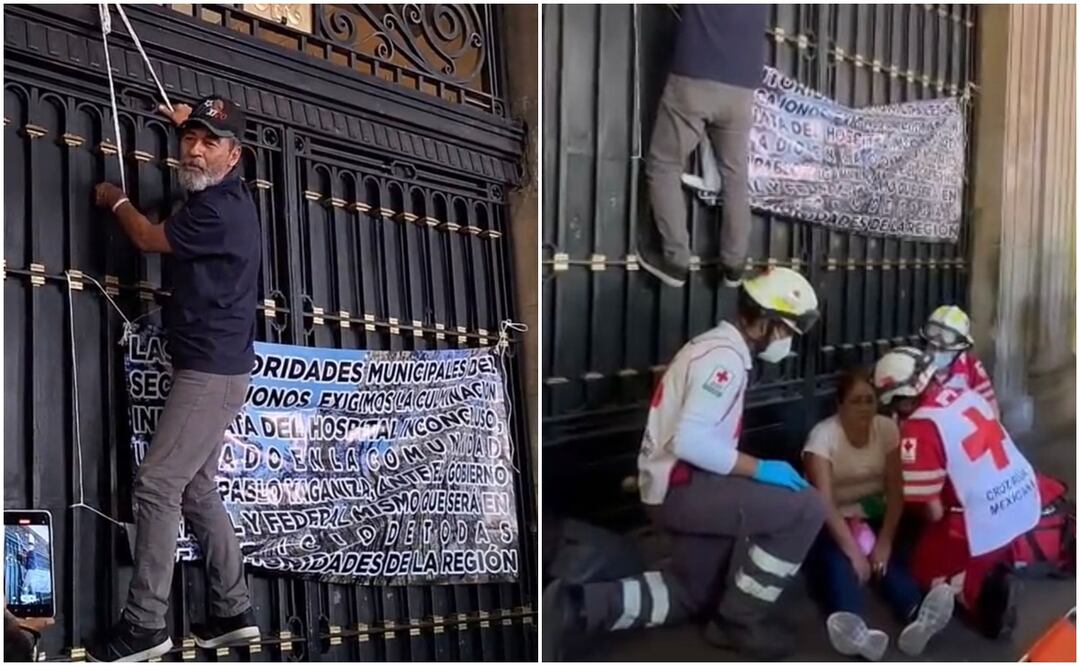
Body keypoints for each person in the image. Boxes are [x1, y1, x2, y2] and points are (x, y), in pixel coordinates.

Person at [544, 267, 825, 660]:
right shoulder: (724, 360)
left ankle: (578, 607)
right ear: (764, 321)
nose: (786, 342)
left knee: (695, 593)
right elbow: (691, 442)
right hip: (685, 487)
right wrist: (761, 469)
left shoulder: (716, 348)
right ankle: (740, 620)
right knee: (808, 507)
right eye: (786, 331)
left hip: (674, 488)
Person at [88, 96, 262, 661]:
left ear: (234, 156)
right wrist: (187, 117)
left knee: (158, 485)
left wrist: (116, 201)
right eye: (191, 139)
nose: (195, 148)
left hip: (209, 374)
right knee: (196, 488)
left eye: (211, 142)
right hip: (219, 370)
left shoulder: (215, 211)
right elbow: (204, 150)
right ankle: (233, 612)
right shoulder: (230, 196)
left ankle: (145, 626)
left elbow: (147, 238)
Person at [872, 347, 1041, 640]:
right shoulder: (969, 396)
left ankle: (976, 598)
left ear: (901, 397)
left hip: (980, 517)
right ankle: (986, 568)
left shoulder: (919, 426)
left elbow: (932, 510)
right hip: (1024, 496)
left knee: (922, 567)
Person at [802, 367, 954, 660]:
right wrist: (853, 552)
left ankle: (916, 615)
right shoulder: (822, 438)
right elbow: (825, 501)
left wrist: (883, 542)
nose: (864, 408)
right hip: (833, 520)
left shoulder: (886, 429)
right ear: (840, 405)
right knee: (841, 561)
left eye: (869, 400)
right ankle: (854, 628)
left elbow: (896, 490)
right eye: (856, 401)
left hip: (873, 512)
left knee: (885, 563)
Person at [637, 5, 766, 289]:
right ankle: (734, 264)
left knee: (665, 165)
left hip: (694, 77)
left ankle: (676, 260)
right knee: (735, 176)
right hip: (741, 89)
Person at [921, 305, 998, 414]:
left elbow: (990, 412)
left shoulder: (972, 368)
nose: (936, 353)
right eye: (932, 347)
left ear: (958, 351)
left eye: (943, 349)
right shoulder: (914, 367)